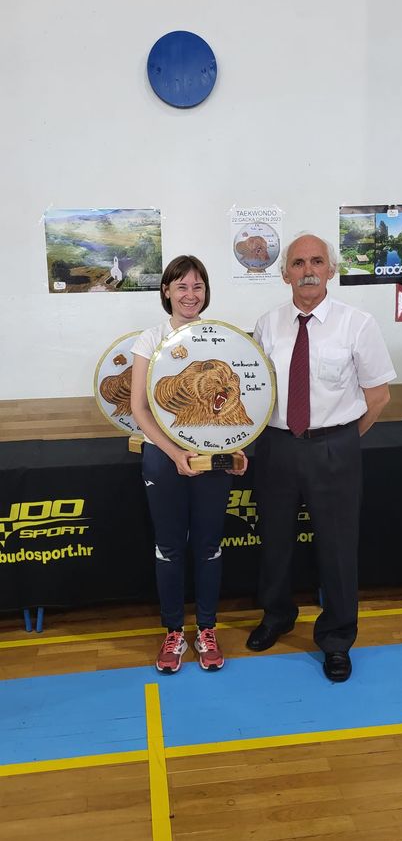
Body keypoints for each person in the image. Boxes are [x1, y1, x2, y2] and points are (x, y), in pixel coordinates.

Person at [246, 233, 396, 682]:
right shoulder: (267, 324)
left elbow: (379, 396)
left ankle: (336, 638)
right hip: (276, 446)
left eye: (316, 261)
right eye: (298, 263)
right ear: (285, 274)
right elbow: (254, 392)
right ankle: (277, 616)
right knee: (274, 540)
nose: (307, 270)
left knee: (337, 547)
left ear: (331, 270)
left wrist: (340, 439)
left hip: (335, 446)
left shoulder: (357, 324)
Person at [130, 255, 247, 674]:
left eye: (198, 286)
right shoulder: (150, 339)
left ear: (206, 292)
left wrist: (237, 447)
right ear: (166, 291)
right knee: (169, 547)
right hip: (162, 457)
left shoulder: (222, 339)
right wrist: (174, 452)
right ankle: (174, 632)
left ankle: (207, 629)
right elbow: (139, 408)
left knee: (209, 545)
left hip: (212, 458)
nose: (190, 294)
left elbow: (242, 402)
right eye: (181, 286)